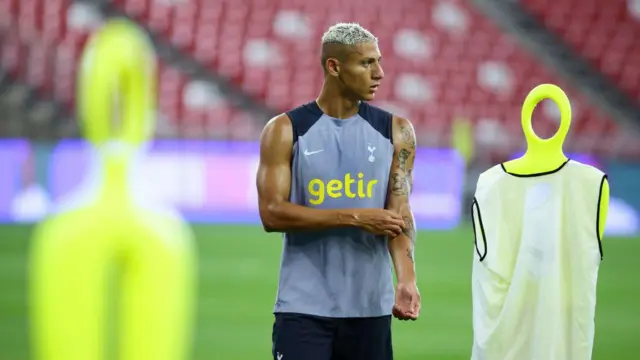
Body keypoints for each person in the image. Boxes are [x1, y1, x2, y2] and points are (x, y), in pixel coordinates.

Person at [256, 22, 421, 360]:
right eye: (367, 63)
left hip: (370, 307)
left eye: (378, 61)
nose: (380, 73)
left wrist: (406, 278)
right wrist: (355, 216)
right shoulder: (285, 130)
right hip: (303, 307)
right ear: (334, 66)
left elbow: (399, 215)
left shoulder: (398, 132)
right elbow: (271, 213)